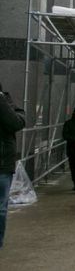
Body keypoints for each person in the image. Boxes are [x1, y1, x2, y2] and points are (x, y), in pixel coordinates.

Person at [0, 82, 26, 249]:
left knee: (1, 208)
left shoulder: (6, 102)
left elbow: (17, 123)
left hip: (2, 164)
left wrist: (0, 101)